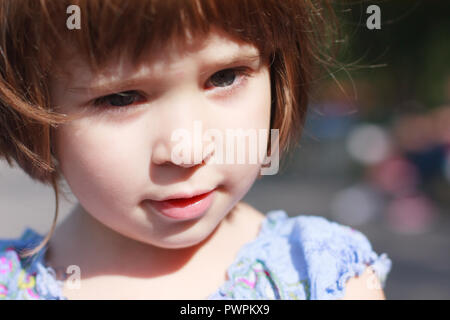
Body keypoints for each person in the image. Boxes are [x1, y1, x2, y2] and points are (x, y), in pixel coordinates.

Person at [0, 0, 391, 300]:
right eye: (121, 98)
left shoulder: (327, 278)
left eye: (224, 77)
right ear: (33, 109)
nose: (186, 150)